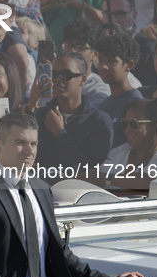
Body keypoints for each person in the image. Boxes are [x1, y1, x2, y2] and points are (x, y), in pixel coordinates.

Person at [0, 112, 144, 277]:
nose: (29, 151)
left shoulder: (42, 190)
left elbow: (59, 253)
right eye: (20, 143)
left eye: (33, 144)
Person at [27, 52, 114, 182]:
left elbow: (88, 170)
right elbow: (20, 146)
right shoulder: (43, 114)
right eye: (54, 74)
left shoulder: (99, 121)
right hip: (43, 190)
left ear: (83, 80)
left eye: (65, 75)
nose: (57, 79)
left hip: (78, 194)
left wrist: (60, 133)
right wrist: (31, 103)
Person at [96, 99, 157, 191]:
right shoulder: (119, 153)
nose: (127, 129)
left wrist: (106, 178)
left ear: (154, 126)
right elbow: (97, 176)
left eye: (134, 123)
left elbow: (150, 183)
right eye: (125, 123)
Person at [100, 0, 157, 87]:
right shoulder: (97, 45)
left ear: (134, 15)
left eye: (120, 13)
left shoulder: (148, 49)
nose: (112, 19)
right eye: (107, 13)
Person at [97, 31, 143, 148]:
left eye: (112, 61)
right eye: (101, 60)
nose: (103, 66)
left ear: (129, 65)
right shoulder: (107, 102)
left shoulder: (135, 103)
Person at [62, 19, 111, 109]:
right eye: (68, 46)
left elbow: (87, 119)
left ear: (95, 55)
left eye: (80, 47)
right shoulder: (54, 83)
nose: (72, 52)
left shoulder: (99, 89)